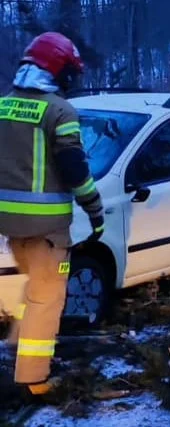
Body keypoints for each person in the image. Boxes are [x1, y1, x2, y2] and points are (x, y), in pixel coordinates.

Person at [0, 32, 104, 398]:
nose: (71, 81)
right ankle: (33, 379)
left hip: (11, 228)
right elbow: (75, 169)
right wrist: (95, 210)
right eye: (69, 73)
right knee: (48, 299)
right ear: (57, 71)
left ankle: (16, 347)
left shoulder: (2, 105)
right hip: (47, 230)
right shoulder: (60, 111)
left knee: (35, 288)